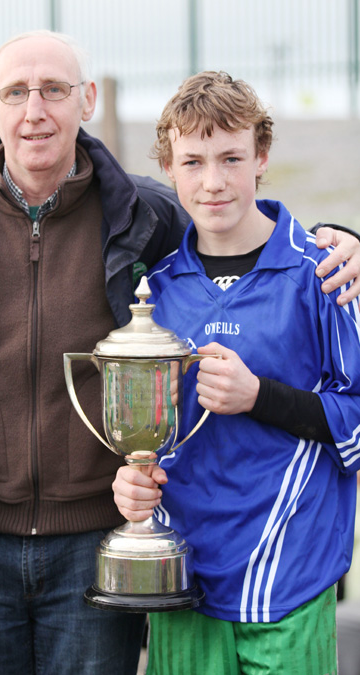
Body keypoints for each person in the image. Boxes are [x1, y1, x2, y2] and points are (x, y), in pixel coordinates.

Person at [0, 30, 358, 675]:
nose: (35, 109)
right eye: (15, 92)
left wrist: (344, 241)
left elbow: (245, 237)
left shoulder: (143, 216)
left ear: (86, 99)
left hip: (106, 538)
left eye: (55, 90)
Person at [112, 71, 360, 675]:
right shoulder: (156, 290)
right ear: (169, 167)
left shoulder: (323, 275)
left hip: (288, 574)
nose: (214, 181)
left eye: (231, 157)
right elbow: (151, 432)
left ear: (261, 158)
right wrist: (132, 482)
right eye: (193, 161)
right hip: (185, 575)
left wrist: (259, 396)